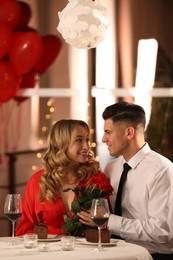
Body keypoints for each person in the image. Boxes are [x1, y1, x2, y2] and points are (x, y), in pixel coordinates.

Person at [78, 101, 173, 260]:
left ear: (129, 133)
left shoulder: (162, 170)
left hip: (154, 256)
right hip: (116, 253)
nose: (103, 139)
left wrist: (109, 222)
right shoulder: (111, 168)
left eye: (108, 132)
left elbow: (161, 231)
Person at [16, 119, 112, 236]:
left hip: (87, 251)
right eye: (79, 140)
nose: (86, 146)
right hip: (47, 251)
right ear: (61, 144)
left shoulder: (97, 179)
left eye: (87, 140)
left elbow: (107, 227)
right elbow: (24, 230)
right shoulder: (38, 181)